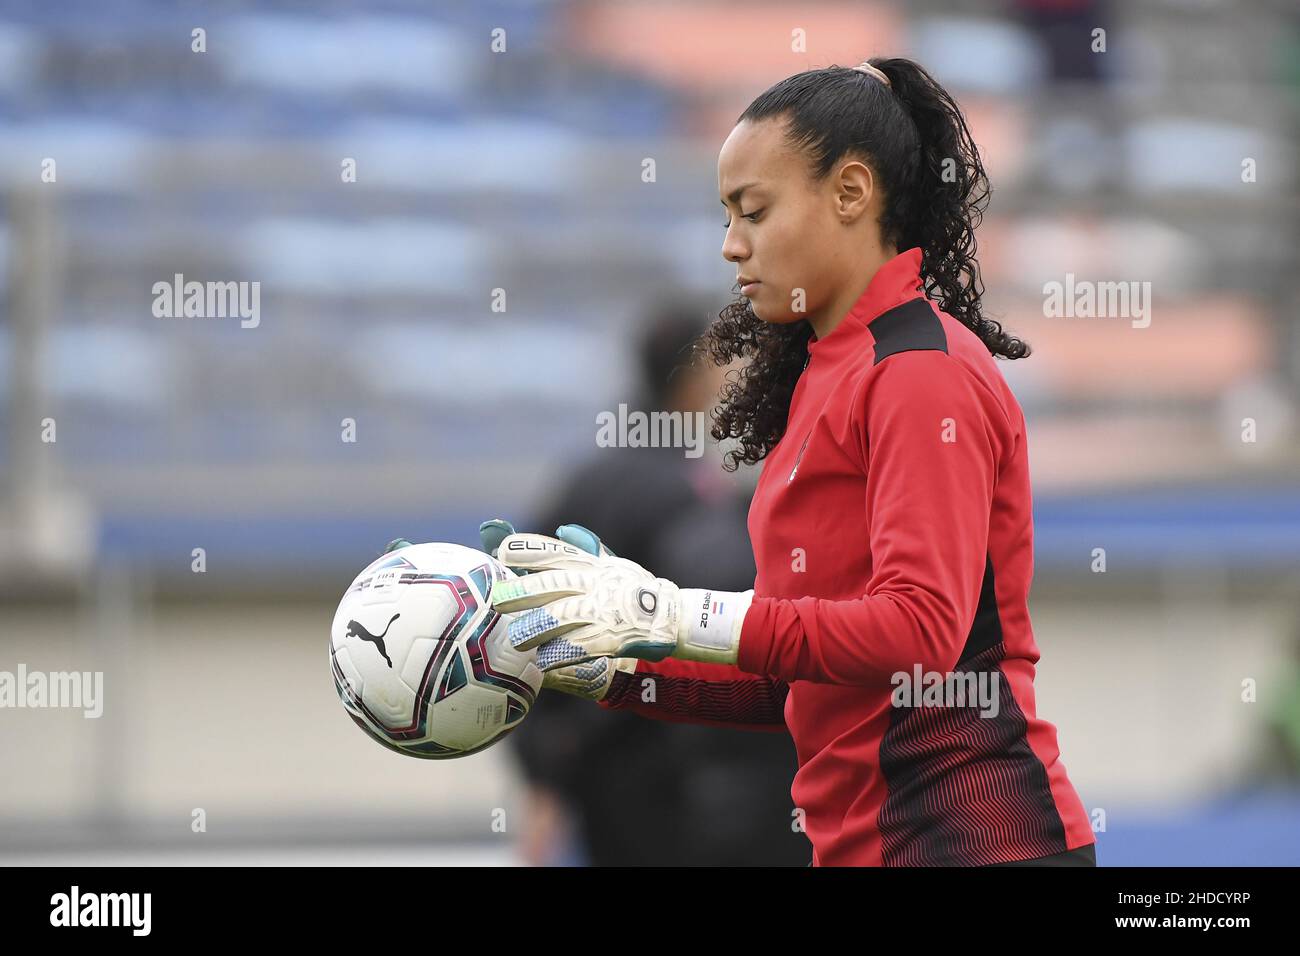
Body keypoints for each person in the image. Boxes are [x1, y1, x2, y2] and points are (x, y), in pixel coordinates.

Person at [487, 58, 1096, 867]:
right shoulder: (824, 378)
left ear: (850, 193)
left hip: (973, 845)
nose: (731, 244)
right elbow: (791, 679)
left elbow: (919, 628)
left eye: (754, 210)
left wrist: (675, 611)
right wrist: (615, 666)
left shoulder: (920, 371)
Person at [499, 306, 808, 866]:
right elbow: (735, 633)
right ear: (694, 377)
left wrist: (546, 765)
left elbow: (520, 615)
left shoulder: (588, 481)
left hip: (598, 778)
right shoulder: (694, 493)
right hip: (678, 783)